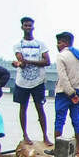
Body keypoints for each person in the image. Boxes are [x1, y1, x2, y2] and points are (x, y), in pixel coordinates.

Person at [12, 16, 51, 146]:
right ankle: (25, 135)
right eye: (26, 25)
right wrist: (19, 63)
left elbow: (47, 61)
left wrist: (28, 61)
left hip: (38, 82)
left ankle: (45, 136)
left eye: (30, 26)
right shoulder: (18, 45)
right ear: (22, 27)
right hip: (22, 82)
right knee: (23, 108)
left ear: (33, 27)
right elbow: (21, 61)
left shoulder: (41, 44)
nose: (28, 28)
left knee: (40, 108)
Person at [53, 31, 79, 157]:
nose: (57, 45)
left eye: (59, 42)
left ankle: (57, 150)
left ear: (65, 43)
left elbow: (63, 77)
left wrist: (71, 93)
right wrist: (78, 92)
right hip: (78, 95)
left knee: (59, 120)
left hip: (64, 93)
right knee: (77, 120)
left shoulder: (61, 56)